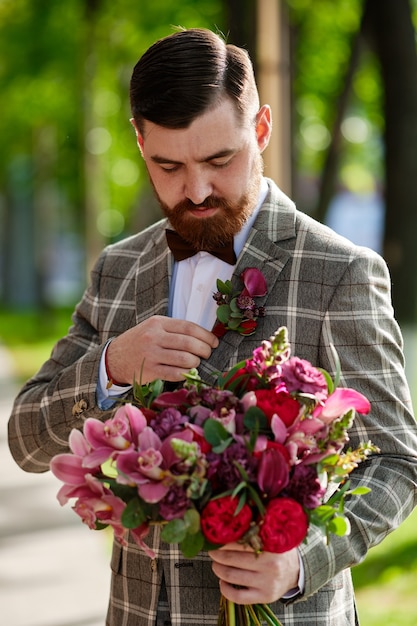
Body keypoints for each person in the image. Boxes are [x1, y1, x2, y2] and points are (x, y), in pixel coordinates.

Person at [8, 27, 417, 626]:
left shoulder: (342, 273)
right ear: (138, 141)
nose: (194, 190)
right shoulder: (118, 270)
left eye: (219, 160)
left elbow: (397, 462)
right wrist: (112, 367)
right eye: (167, 166)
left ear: (261, 130)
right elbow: (25, 440)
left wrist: (300, 561)